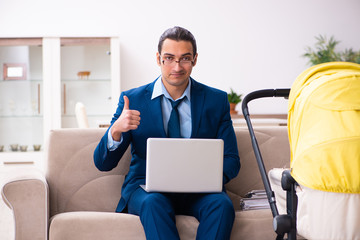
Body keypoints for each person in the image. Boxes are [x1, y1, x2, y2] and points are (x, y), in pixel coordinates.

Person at [94, 26, 240, 240]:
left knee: (222, 205)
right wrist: (116, 129)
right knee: (154, 203)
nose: (177, 67)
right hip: (147, 190)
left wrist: (205, 178)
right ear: (158, 58)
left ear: (195, 59)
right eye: (169, 58)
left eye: (185, 58)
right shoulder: (132, 100)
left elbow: (232, 159)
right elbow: (102, 163)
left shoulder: (216, 100)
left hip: (200, 190)